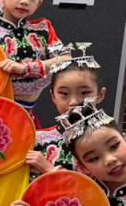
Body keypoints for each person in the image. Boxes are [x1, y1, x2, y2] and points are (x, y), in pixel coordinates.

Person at [27, 43, 105, 177]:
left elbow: (107, 183)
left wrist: (50, 170)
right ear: (53, 96)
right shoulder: (37, 140)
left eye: (84, 92)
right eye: (64, 93)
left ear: (100, 95)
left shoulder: (109, 140)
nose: (73, 102)